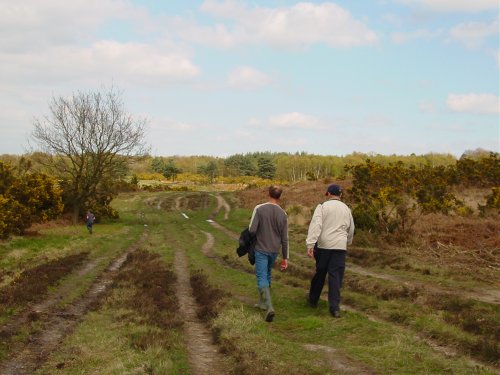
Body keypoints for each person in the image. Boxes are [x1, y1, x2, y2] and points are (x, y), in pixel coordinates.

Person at [306, 184, 354, 318]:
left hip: (324, 245)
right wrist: (347, 241)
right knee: (335, 277)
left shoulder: (322, 206)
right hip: (340, 246)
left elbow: (316, 225)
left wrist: (310, 244)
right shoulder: (347, 209)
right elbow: (351, 228)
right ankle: (335, 308)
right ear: (341, 195)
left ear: (327, 194)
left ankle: (313, 300)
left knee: (320, 273)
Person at [249, 185, 289, 322]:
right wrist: (285, 258)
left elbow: (252, 230)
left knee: (261, 277)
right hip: (274, 251)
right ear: (280, 197)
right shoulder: (283, 214)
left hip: (261, 248)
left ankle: (269, 307)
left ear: (268, 194)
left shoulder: (259, 209)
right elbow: (285, 239)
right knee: (267, 275)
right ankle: (261, 303)